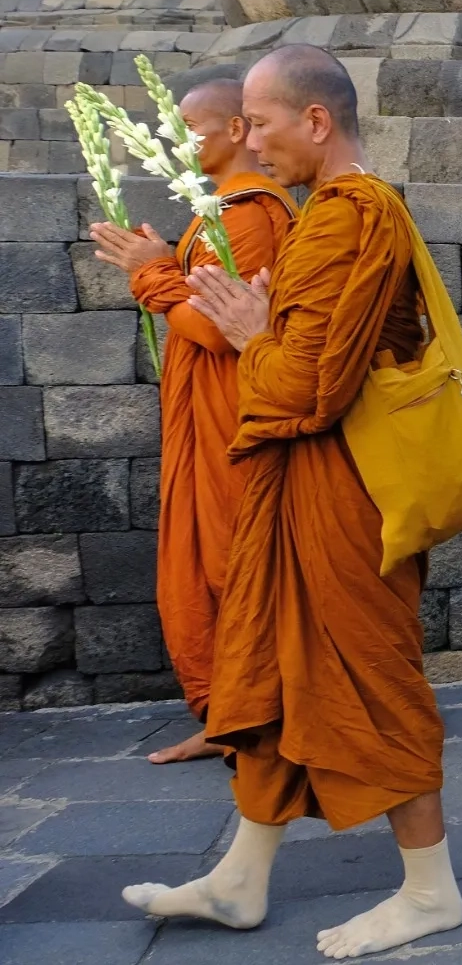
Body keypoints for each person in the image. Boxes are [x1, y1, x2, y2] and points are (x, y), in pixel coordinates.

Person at [123, 45, 462, 959]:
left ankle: (432, 891)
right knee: (274, 674)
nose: (253, 143)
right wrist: (262, 327)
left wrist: (246, 334)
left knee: (372, 681)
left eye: (263, 125)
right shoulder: (328, 216)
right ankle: (240, 881)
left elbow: (307, 386)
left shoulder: (349, 215)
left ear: (315, 120)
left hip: (341, 495)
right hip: (303, 489)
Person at [87, 78, 296, 765]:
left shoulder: (252, 214)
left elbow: (213, 329)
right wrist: (168, 261)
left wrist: (152, 274)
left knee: (233, 570)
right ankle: (228, 716)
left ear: (238, 129)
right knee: (200, 571)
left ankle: (255, 721)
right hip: (204, 420)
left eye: (188, 125)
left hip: (232, 422)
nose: (179, 139)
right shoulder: (218, 213)